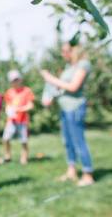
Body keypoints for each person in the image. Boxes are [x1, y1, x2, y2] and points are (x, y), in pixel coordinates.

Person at [40, 43, 95, 187]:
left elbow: (73, 86)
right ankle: (71, 171)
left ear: (74, 50)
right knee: (68, 142)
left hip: (75, 108)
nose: (63, 54)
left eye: (65, 51)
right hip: (64, 108)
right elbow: (61, 86)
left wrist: (50, 78)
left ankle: (88, 174)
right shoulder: (68, 67)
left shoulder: (83, 64)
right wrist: (50, 94)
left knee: (78, 141)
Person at [1, 70, 35, 165]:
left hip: (23, 120)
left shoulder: (27, 91)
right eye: (13, 80)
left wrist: (19, 109)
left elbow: (30, 105)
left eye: (17, 80)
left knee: (24, 140)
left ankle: (24, 157)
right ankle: (7, 155)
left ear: (20, 79)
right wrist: (9, 111)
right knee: (6, 139)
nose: (15, 82)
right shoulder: (9, 92)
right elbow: (8, 105)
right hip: (11, 120)